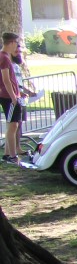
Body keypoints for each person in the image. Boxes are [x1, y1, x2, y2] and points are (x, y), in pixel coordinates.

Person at [1, 31, 22, 164]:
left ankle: (7, 154)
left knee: (12, 124)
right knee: (13, 125)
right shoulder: (4, 57)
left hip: (10, 95)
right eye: (16, 43)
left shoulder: (5, 56)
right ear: (12, 42)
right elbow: (6, 80)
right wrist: (13, 96)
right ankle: (13, 156)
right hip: (8, 97)